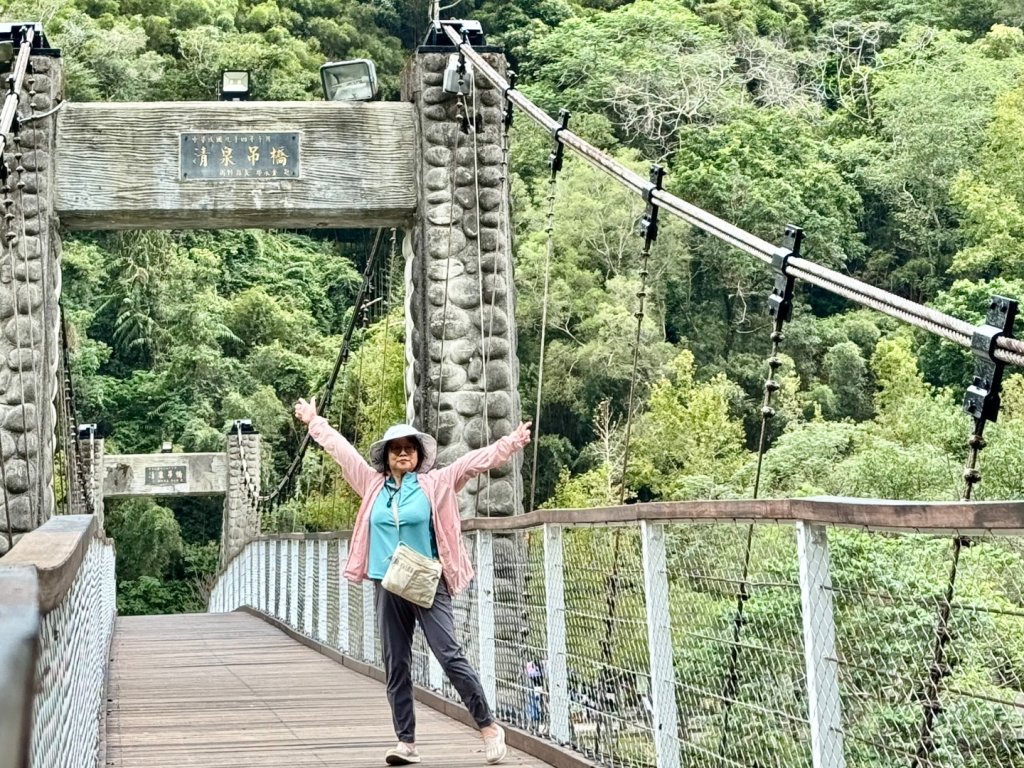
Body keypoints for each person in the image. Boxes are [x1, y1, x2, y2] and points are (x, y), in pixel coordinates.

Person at [294, 396, 531, 766]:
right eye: (395, 450)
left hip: (426, 581)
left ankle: (488, 727)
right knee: (397, 663)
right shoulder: (372, 486)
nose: (402, 454)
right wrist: (314, 421)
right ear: (386, 457)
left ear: (419, 455)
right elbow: (343, 452)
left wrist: (510, 442)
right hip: (387, 584)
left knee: (449, 654)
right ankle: (406, 742)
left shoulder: (434, 484)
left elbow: (471, 463)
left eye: (409, 449)